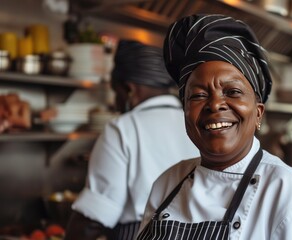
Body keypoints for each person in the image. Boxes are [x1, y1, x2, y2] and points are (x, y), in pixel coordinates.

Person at [136, 14, 292, 240]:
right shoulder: (168, 182)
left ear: (258, 113)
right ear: (184, 112)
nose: (214, 105)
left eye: (232, 92)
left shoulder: (290, 194)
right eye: (198, 95)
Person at [65, 40, 199, 240]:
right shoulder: (196, 123)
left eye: (115, 92)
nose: (115, 102)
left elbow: (93, 218)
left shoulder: (122, 128)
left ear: (129, 90)